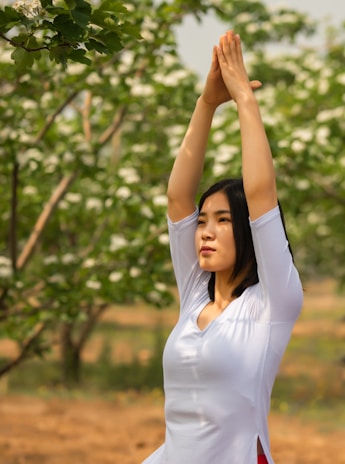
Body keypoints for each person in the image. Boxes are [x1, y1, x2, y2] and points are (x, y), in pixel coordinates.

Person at [142, 30, 303, 464]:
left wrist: (245, 102)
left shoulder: (273, 304)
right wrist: (207, 103)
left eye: (224, 220)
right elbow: (178, 199)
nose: (205, 232)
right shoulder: (195, 291)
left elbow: (260, 193)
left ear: (249, 230)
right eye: (203, 222)